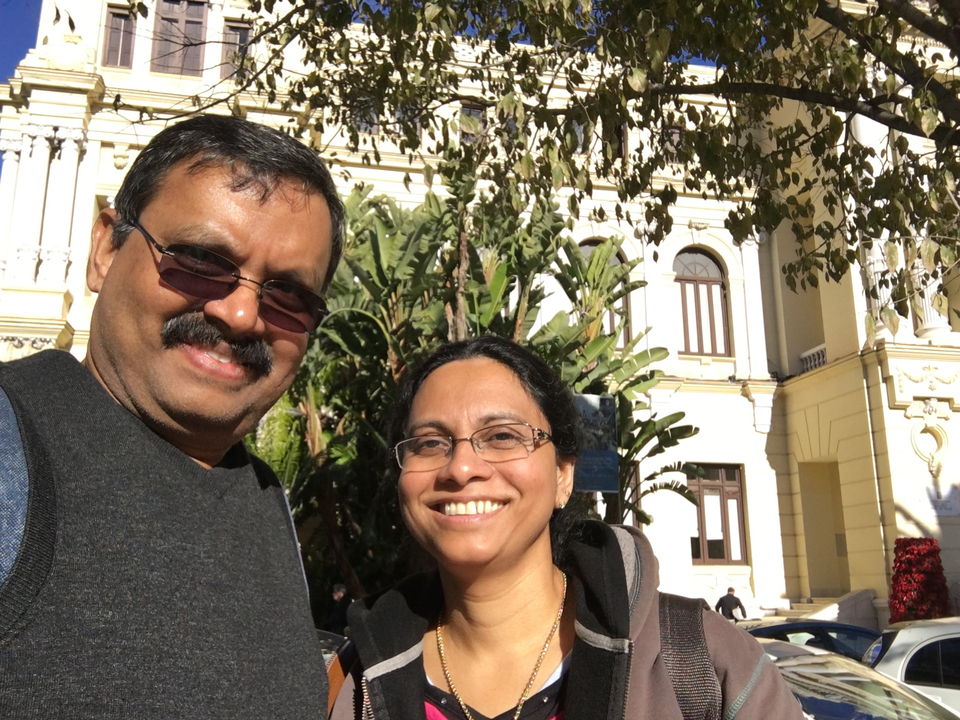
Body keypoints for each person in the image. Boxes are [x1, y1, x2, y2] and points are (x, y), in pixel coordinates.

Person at [0, 114, 344, 718]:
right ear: (106, 248)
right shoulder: (13, 442)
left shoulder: (267, 504)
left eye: (288, 294)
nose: (241, 314)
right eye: (201, 259)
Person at [328, 336, 803, 720]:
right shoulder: (354, 683)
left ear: (563, 476)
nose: (462, 467)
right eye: (430, 443)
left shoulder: (704, 663)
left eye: (502, 436)